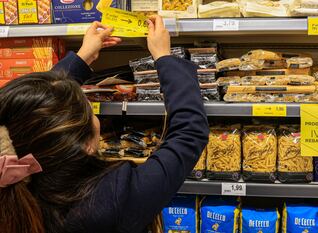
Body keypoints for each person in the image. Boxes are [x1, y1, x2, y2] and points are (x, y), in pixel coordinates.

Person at [0, 15, 209, 233]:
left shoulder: (16, 191)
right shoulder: (112, 199)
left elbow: (32, 111)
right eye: (88, 110)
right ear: (86, 147)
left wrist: (82, 57)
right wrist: (164, 56)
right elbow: (189, 133)